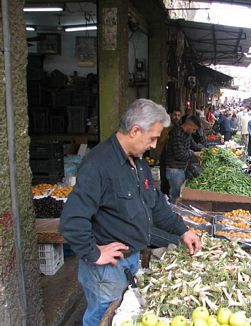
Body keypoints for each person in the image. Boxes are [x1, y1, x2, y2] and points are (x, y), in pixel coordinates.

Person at [59, 99, 201, 325]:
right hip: (106, 270)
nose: (154, 145)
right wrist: (94, 253)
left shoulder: (139, 164)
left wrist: (183, 231)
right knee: (102, 318)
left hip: (130, 260)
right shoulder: (98, 165)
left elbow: (156, 205)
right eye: (153, 138)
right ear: (135, 131)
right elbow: (72, 220)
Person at [165, 115, 203, 203]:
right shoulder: (177, 134)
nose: (194, 132)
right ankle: (173, 214)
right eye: (194, 129)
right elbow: (180, 155)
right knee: (175, 196)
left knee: (180, 195)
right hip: (174, 170)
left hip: (182, 168)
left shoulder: (187, 134)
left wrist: (204, 149)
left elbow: (193, 145)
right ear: (189, 126)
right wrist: (193, 153)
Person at [157, 109, 182, 195]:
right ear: (171, 115)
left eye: (179, 115)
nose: (177, 117)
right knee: (164, 179)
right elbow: (161, 140)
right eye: (175, 115)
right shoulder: (166, 126)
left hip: (172, 158)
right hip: (164, 154)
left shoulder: (178, 127)